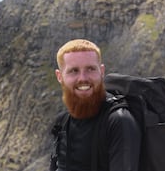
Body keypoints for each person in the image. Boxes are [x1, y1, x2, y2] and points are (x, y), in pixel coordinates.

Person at [50, 39, 141, 171]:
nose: (83, 78)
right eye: (74, 71)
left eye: (90, 69)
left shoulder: (118, 121)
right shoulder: (62, 123)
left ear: (101, 71)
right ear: (59, 76)